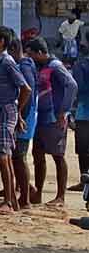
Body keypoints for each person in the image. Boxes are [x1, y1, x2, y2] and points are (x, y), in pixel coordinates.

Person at [0, 26, 31, 215]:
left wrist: (16, 111)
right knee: (4, 157)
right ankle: (11, 200)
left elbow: (25, 89)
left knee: (4, 157)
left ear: (2, 42)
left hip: (5, 112)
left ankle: (9, 203)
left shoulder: (7, 62)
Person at [27, 37, 77, 206]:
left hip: (54, 117)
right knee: (38, 154)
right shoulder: (40, 66)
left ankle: (61, 196)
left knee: (58, 156)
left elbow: (71, 86)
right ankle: (38, 193)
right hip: (40, 117)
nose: (30, 57)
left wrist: (63, 110)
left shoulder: (55, 66)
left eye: (32, 54)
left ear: (40, 52)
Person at [7, 37, 38, 207]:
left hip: (25, 118)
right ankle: (26, 190)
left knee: (19, 157)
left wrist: (20, 115)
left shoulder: (24, 66)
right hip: (25, 117)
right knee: (16, 157)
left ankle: (25, 198)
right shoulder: (25, 65)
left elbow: (28, 92)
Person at [72, 38, 89, 186]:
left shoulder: (81, 65)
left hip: (84, 112)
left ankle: (84, 182)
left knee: (83, 149)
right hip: (83, 111)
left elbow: (78, 88)